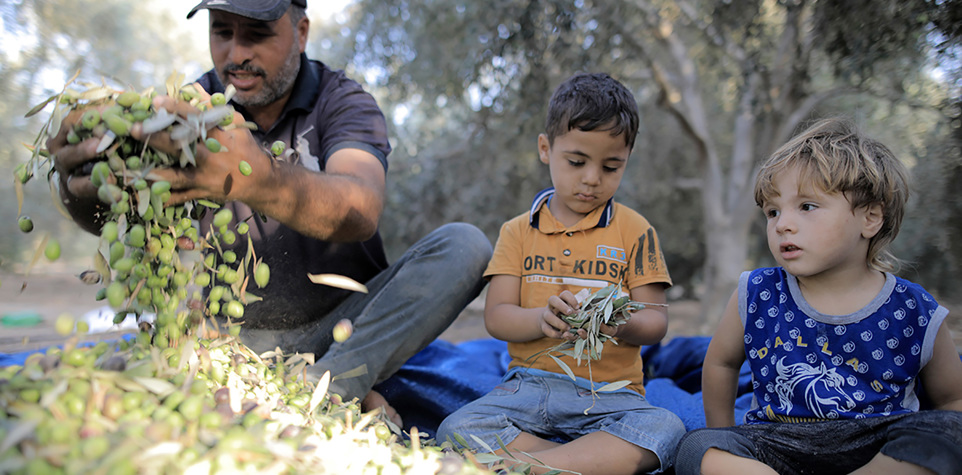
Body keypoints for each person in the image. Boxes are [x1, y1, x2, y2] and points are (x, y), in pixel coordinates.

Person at [45, 0, 492, 425]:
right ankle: (327, 386)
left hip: (342, 327)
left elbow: (360, 210)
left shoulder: (341, 101)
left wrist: (259, 178)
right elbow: (116, 215)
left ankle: (326, 383)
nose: (236, 54)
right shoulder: (181, 112)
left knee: (465, 246)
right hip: (231, 339)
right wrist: (81, 183)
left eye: (257, 34)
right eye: (222, 32)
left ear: (300, 33)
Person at [674, 117, 962, 475]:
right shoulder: (757, 293)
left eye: (807, 206)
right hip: (776, 443)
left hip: (877, 445)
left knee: (952, 431)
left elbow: (952, 398)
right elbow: (721, 363)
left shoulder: (914, 309)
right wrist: (724, 435)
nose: (782, 224)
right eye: (773, 211)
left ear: (870, 218)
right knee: (697, 448)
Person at [437, 73, 685, 475]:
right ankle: (585, 462)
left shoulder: (637, 231)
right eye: (576, 162)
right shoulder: (517, 231)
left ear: (627, 161)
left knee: (665, 428)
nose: (591, 178)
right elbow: (497, 315)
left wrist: (614, 322)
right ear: (545, 148)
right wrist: (540, 319)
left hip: (611, 395)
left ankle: (530, 467)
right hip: (528, 387)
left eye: (611, 167)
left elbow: (656, 321)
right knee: (457, 427)